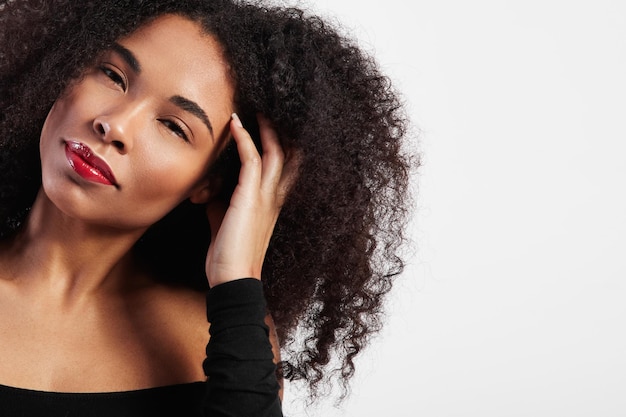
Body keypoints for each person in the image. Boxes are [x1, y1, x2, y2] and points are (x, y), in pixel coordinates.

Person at [0, 0, 413, 415]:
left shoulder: (217, 340)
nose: (115, 125)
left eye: (173, 126)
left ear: (207, 182)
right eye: (113, 76)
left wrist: (237, 275)